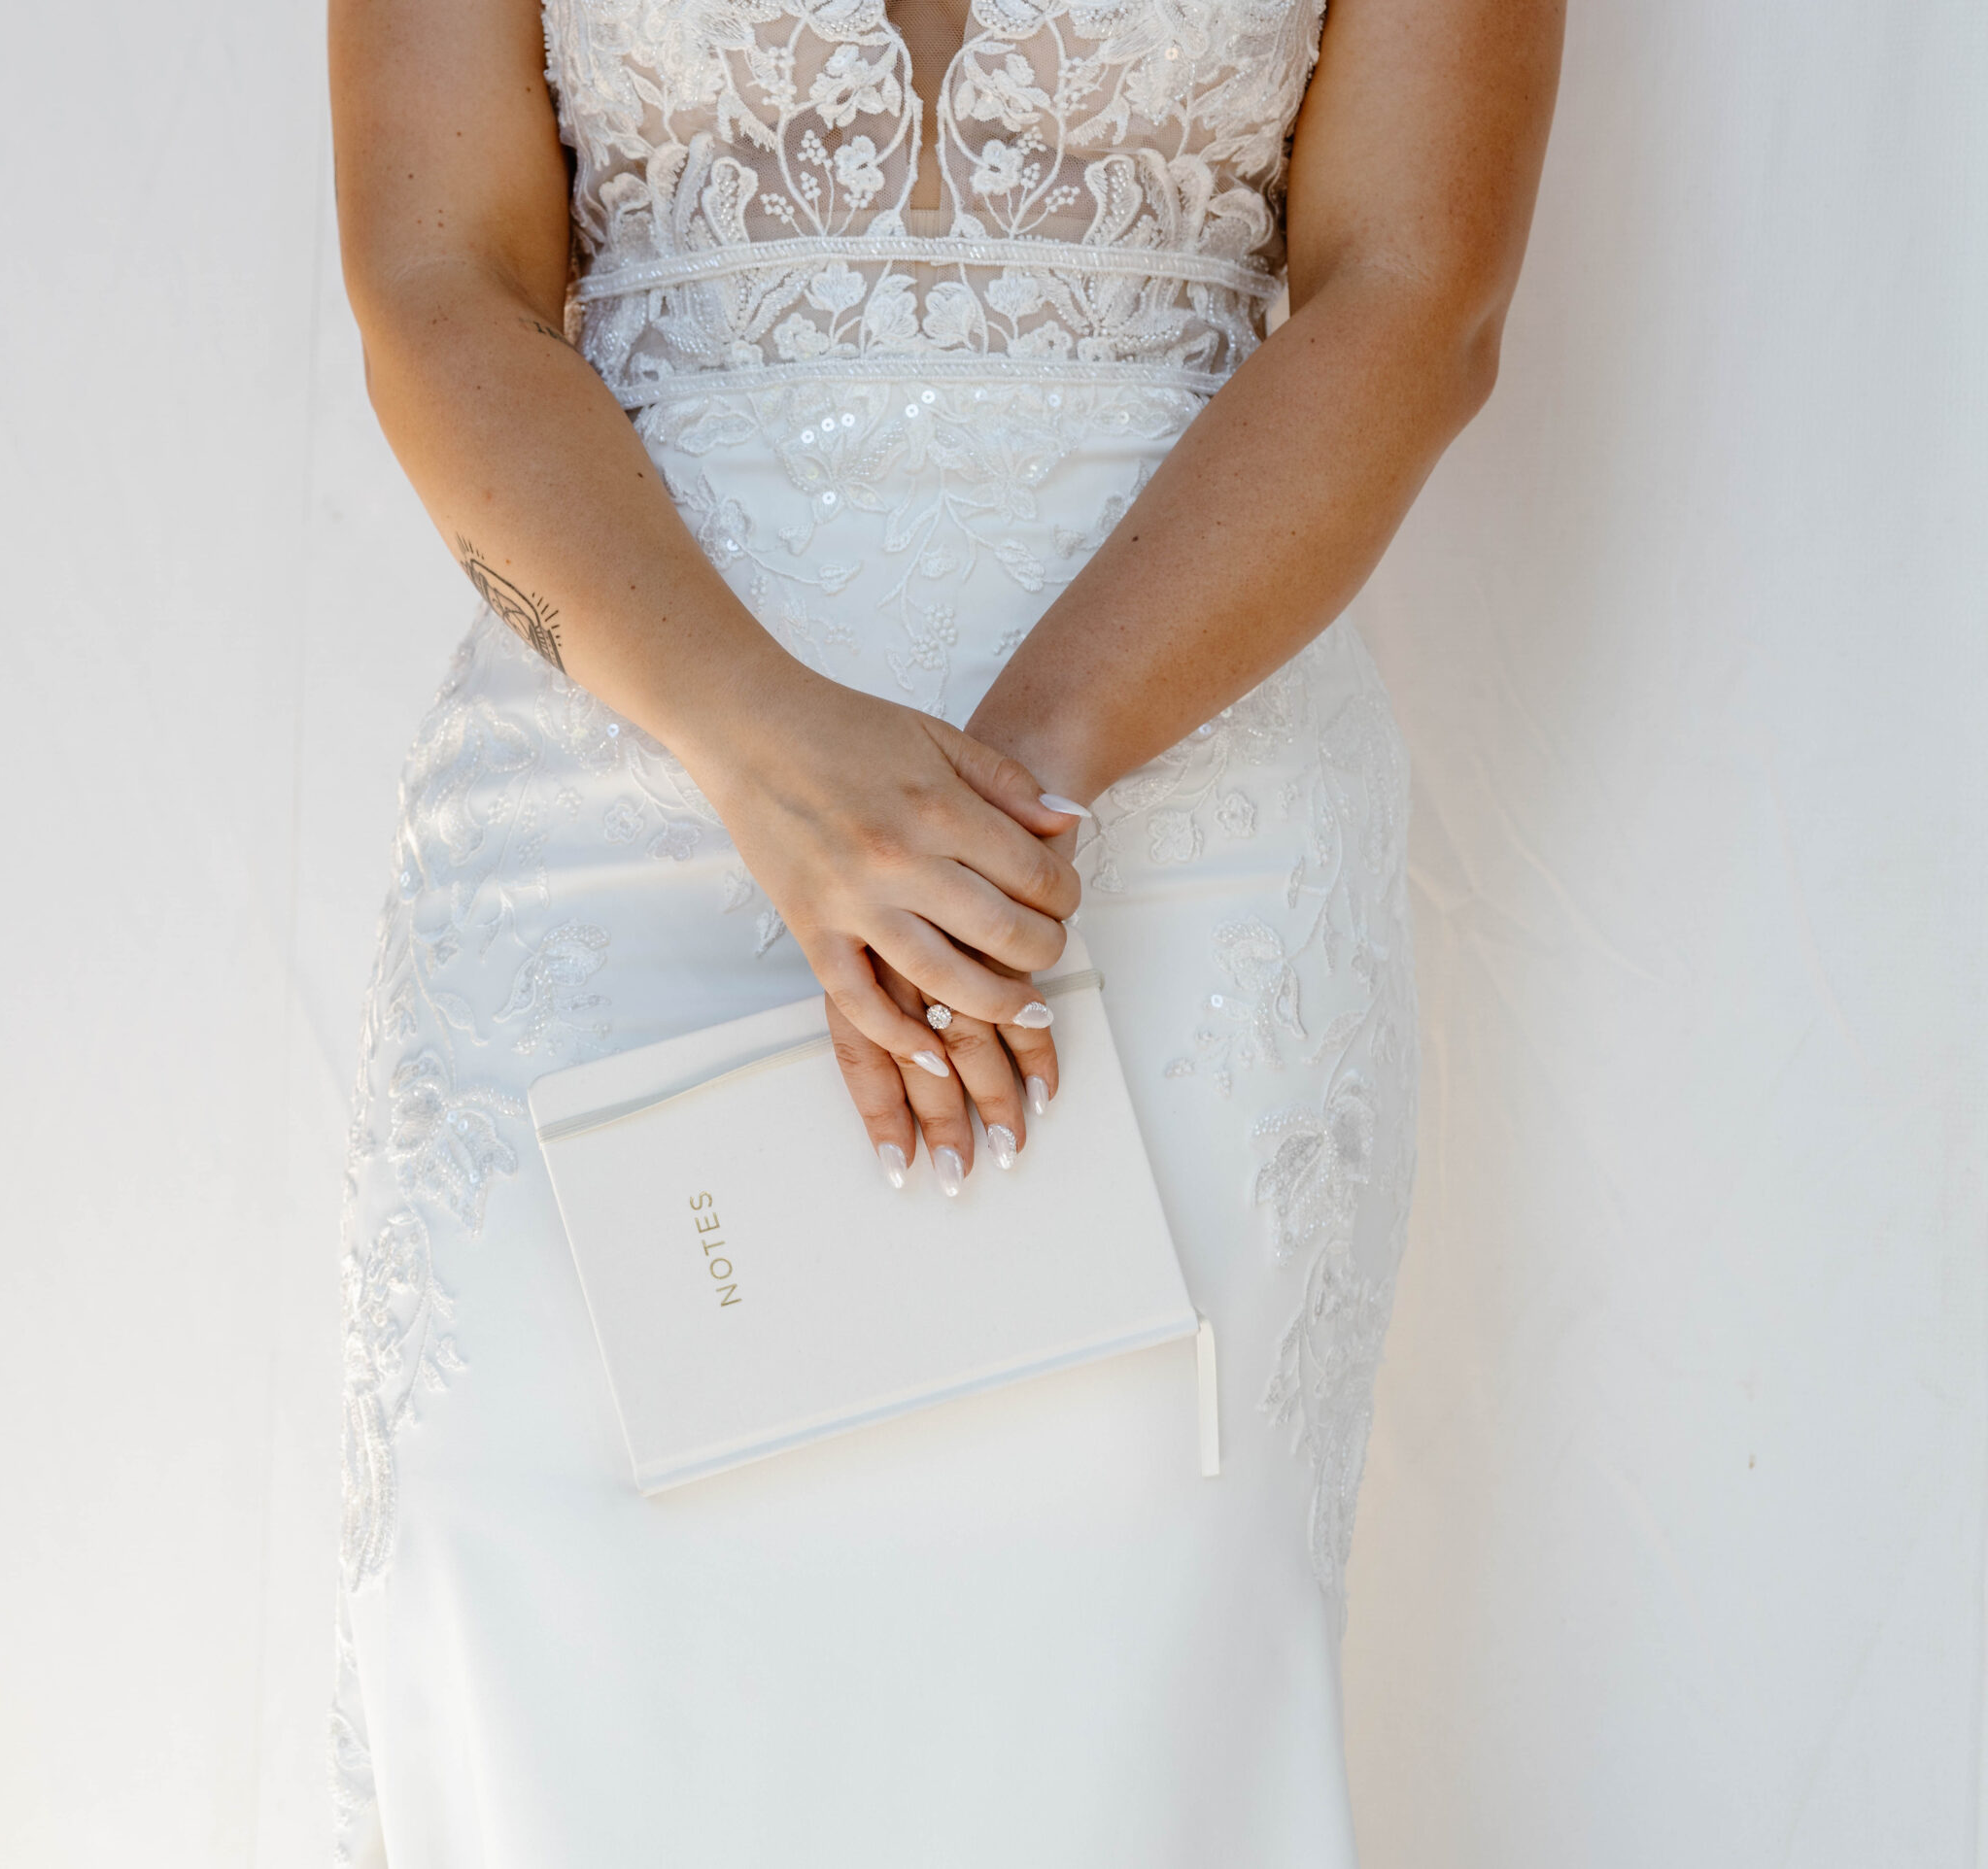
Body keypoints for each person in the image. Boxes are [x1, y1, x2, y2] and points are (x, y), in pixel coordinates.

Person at [326, 0, 1559, 1858]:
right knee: (545, 1662)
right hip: (616, 818)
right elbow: (438, 279)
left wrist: (1007, 814)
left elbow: (1413, 289)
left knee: (1103, 1727)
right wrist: (772, 751)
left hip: (1172, 834)